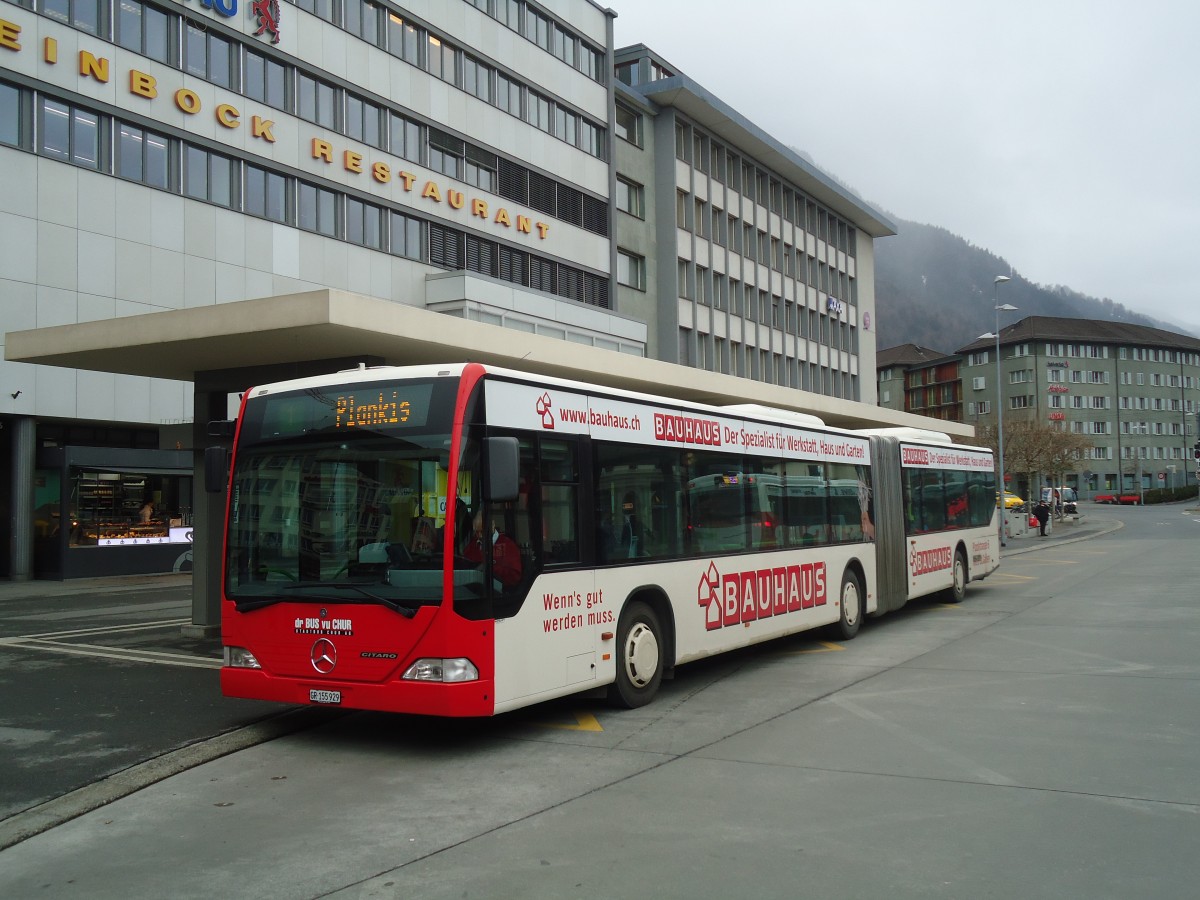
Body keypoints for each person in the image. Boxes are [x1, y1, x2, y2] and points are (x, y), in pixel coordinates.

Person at [463, 508, 523, 588]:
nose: (479, 536)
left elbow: (515, 576)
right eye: (476, 532)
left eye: (482, 531)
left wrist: (490, 569)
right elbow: (464, 565)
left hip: (499, 594)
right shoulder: (473, 545)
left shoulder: (508, 545)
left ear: (493, 525)